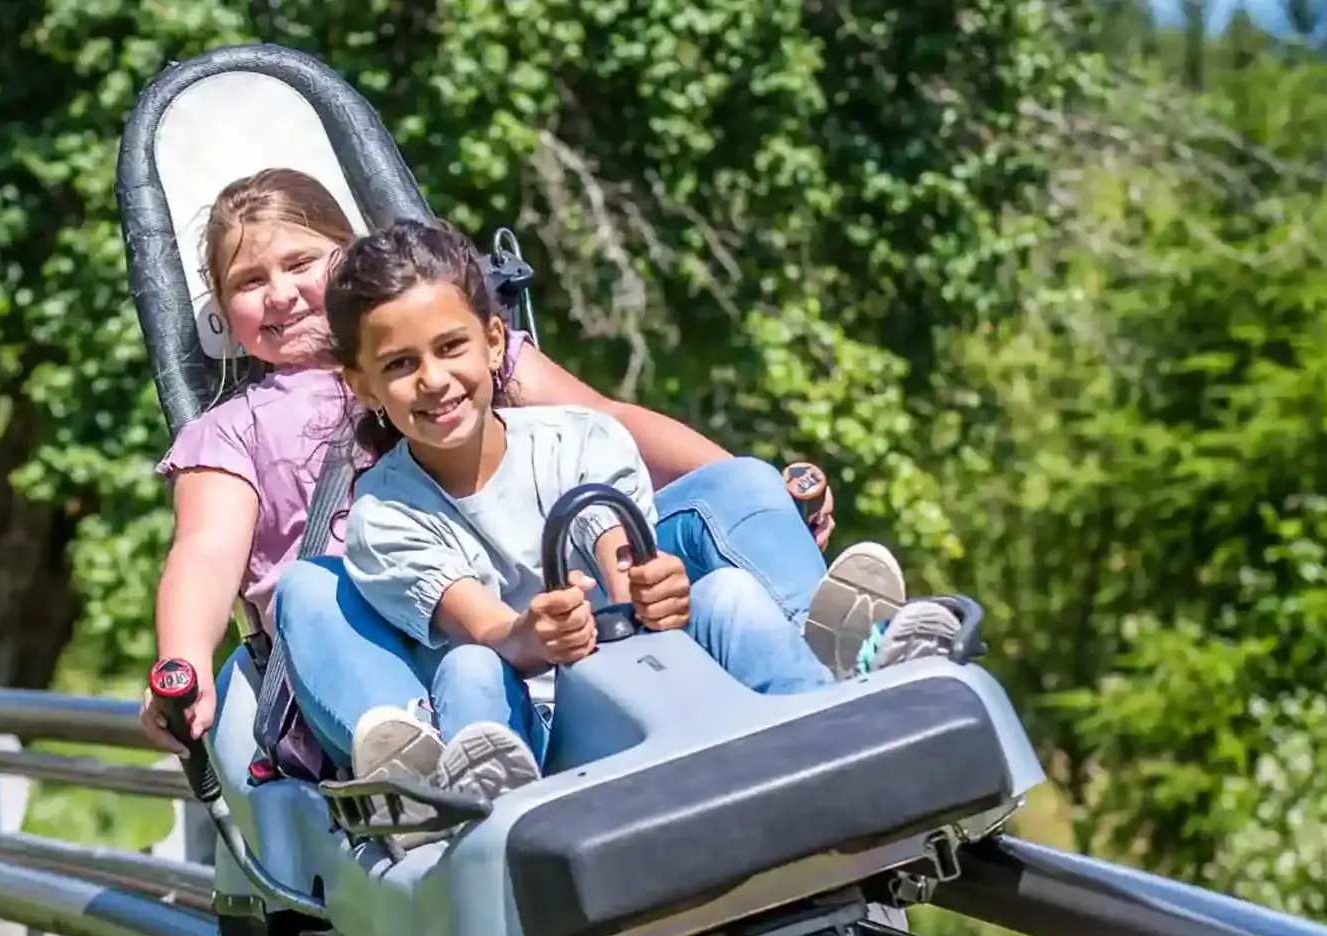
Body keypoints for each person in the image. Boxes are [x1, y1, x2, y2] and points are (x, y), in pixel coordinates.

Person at [138, 166, 906, 772]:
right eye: (248, 282)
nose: (279, 293)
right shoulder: (228, 431)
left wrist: (766, 494)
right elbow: (204, 551)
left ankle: (827, 642)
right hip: (401, 640)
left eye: (300, 261)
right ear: (221, 313)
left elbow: (609, 423)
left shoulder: (458, 349)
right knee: (313, 584)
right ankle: (415, 756)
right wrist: (181, 662)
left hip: (553, 590)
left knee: (734, 483)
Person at [325, 218, 965, 801]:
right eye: (401, 365)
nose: (434, 380)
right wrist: (535, 635)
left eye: (450, 347)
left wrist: (653, 591)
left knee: (730, 593)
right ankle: (492, 807)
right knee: (469, 667)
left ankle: (842, 706)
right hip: (539, 735)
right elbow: (490, 632)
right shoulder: (383, 514)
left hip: (634, 686)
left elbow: (621, 555)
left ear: (494, 341)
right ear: (363, 384)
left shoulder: (578, 438)